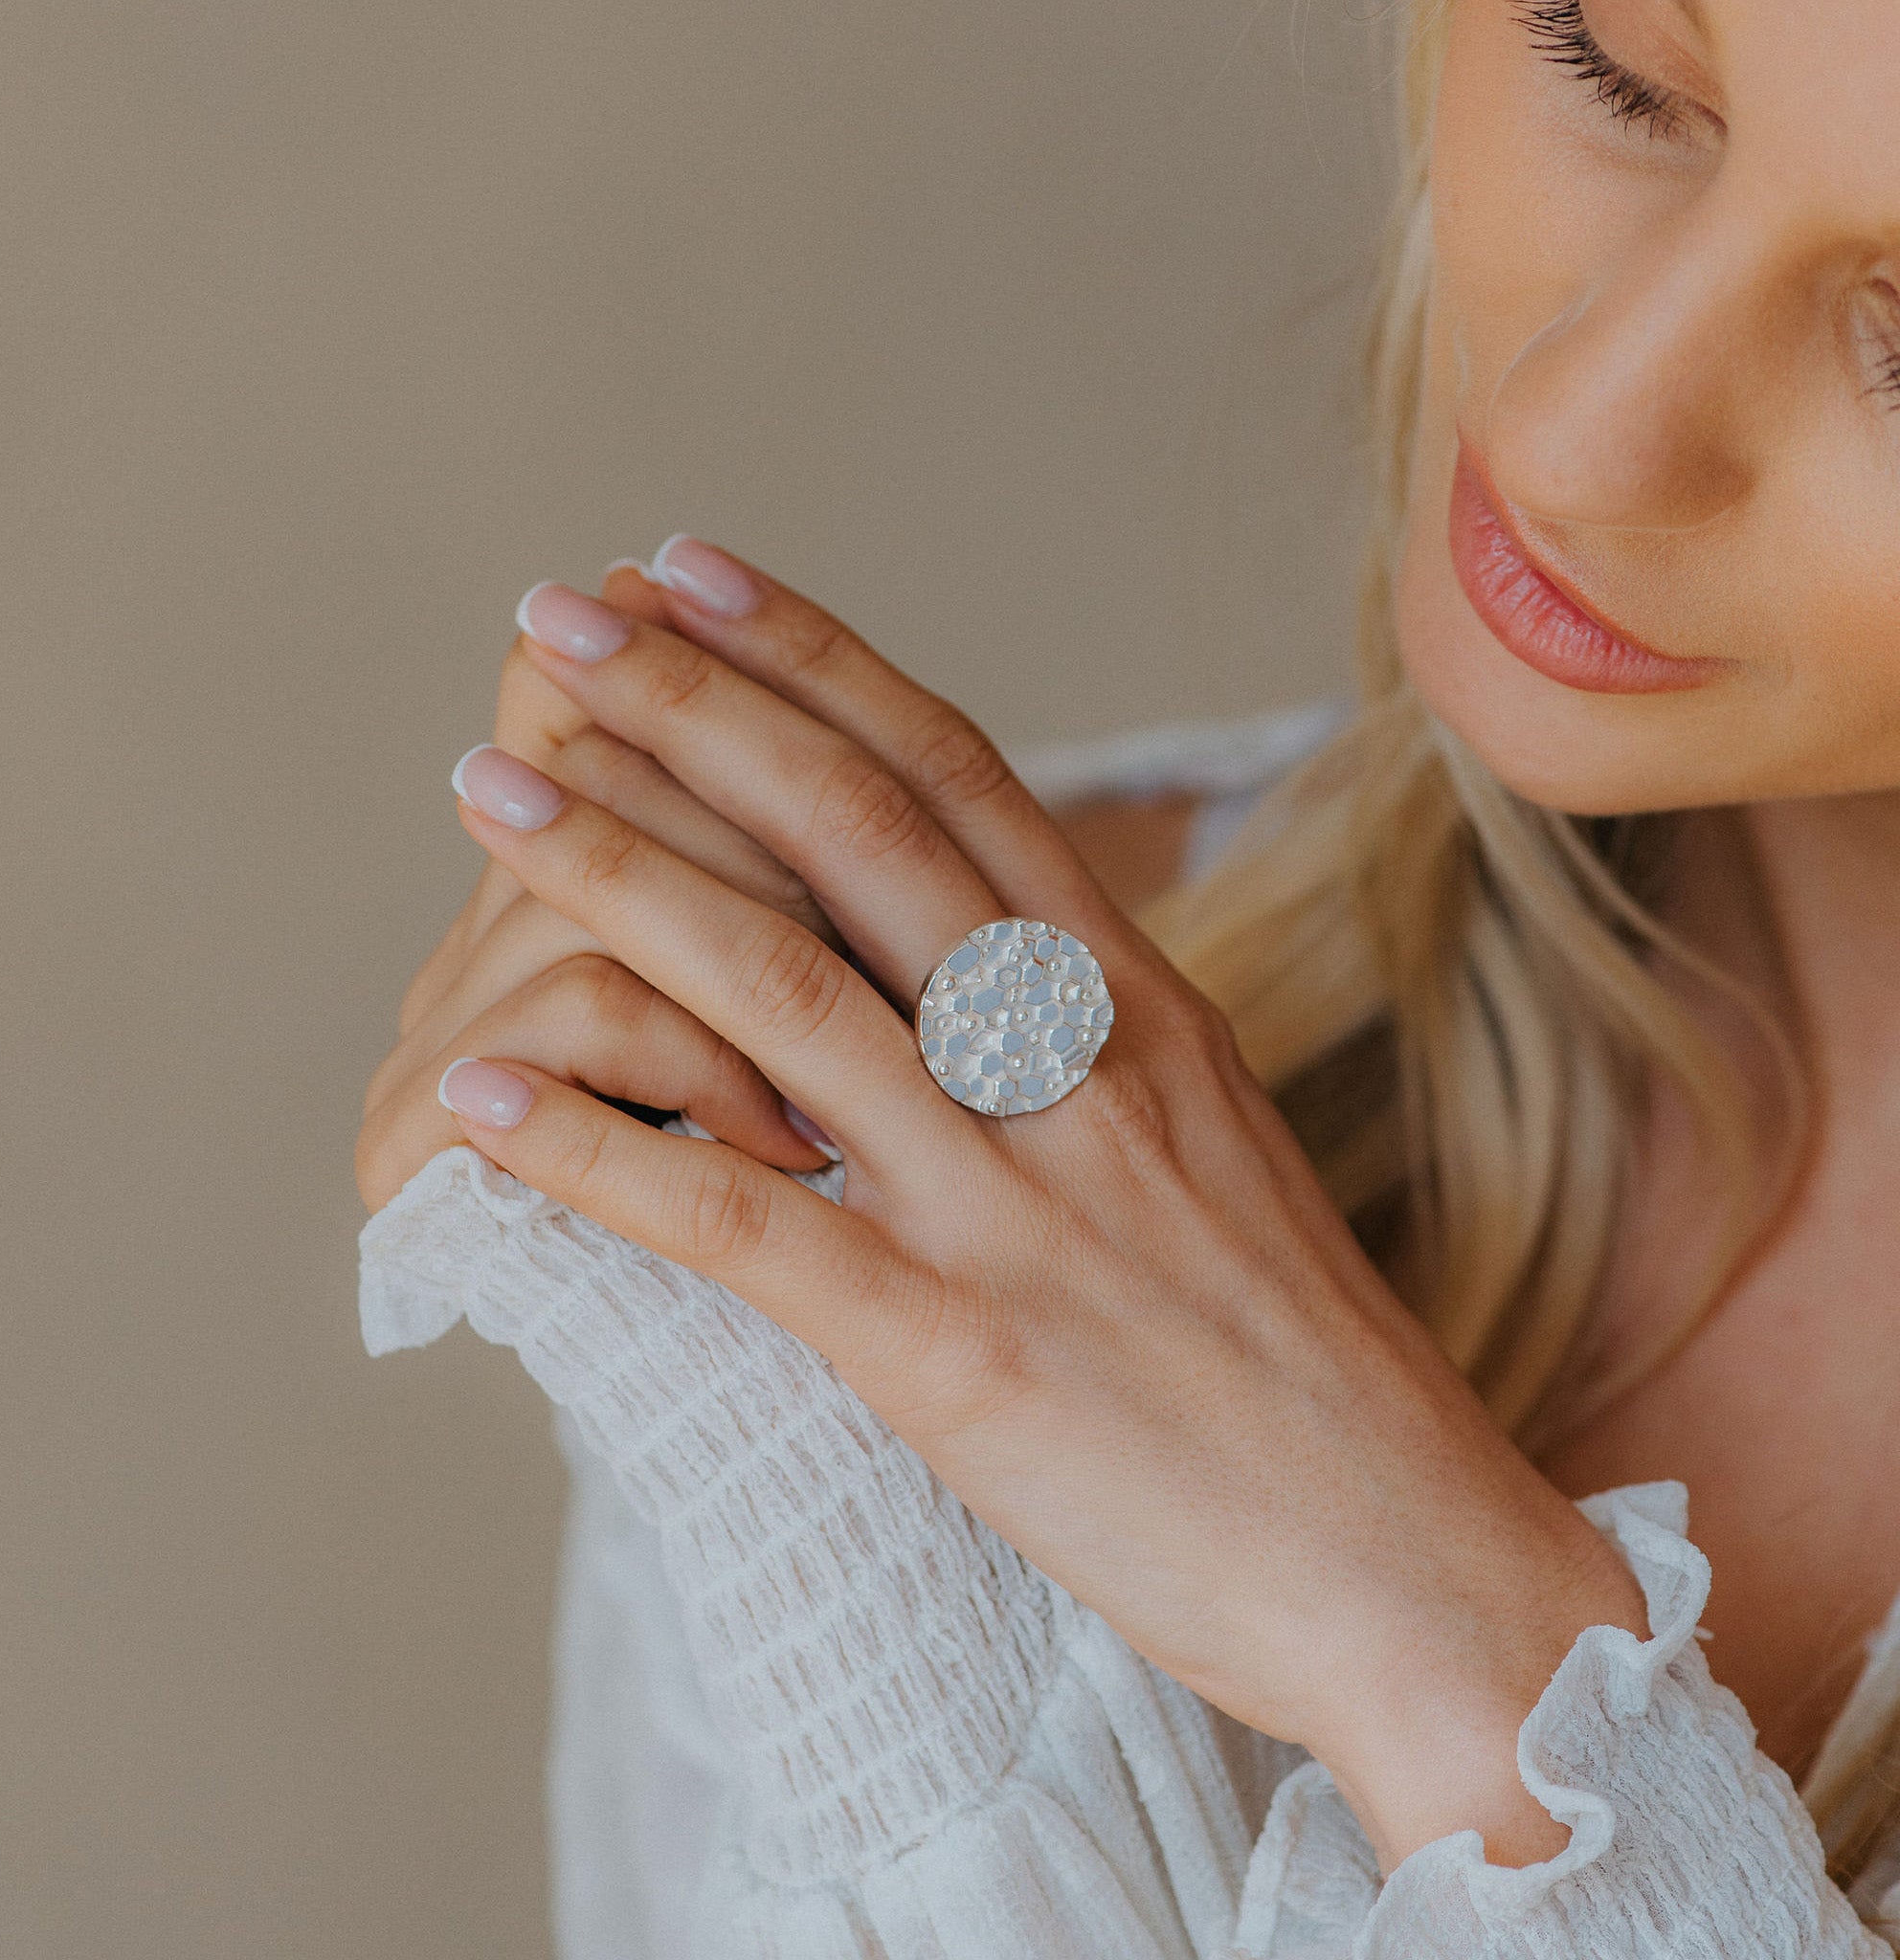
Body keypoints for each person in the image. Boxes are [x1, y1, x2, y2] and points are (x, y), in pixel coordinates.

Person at [353, 0, 1900, 1951]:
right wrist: (832, 1520)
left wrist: (1458, 1665)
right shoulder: (962, 1067)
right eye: (1610, 66)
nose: (1581, 435)